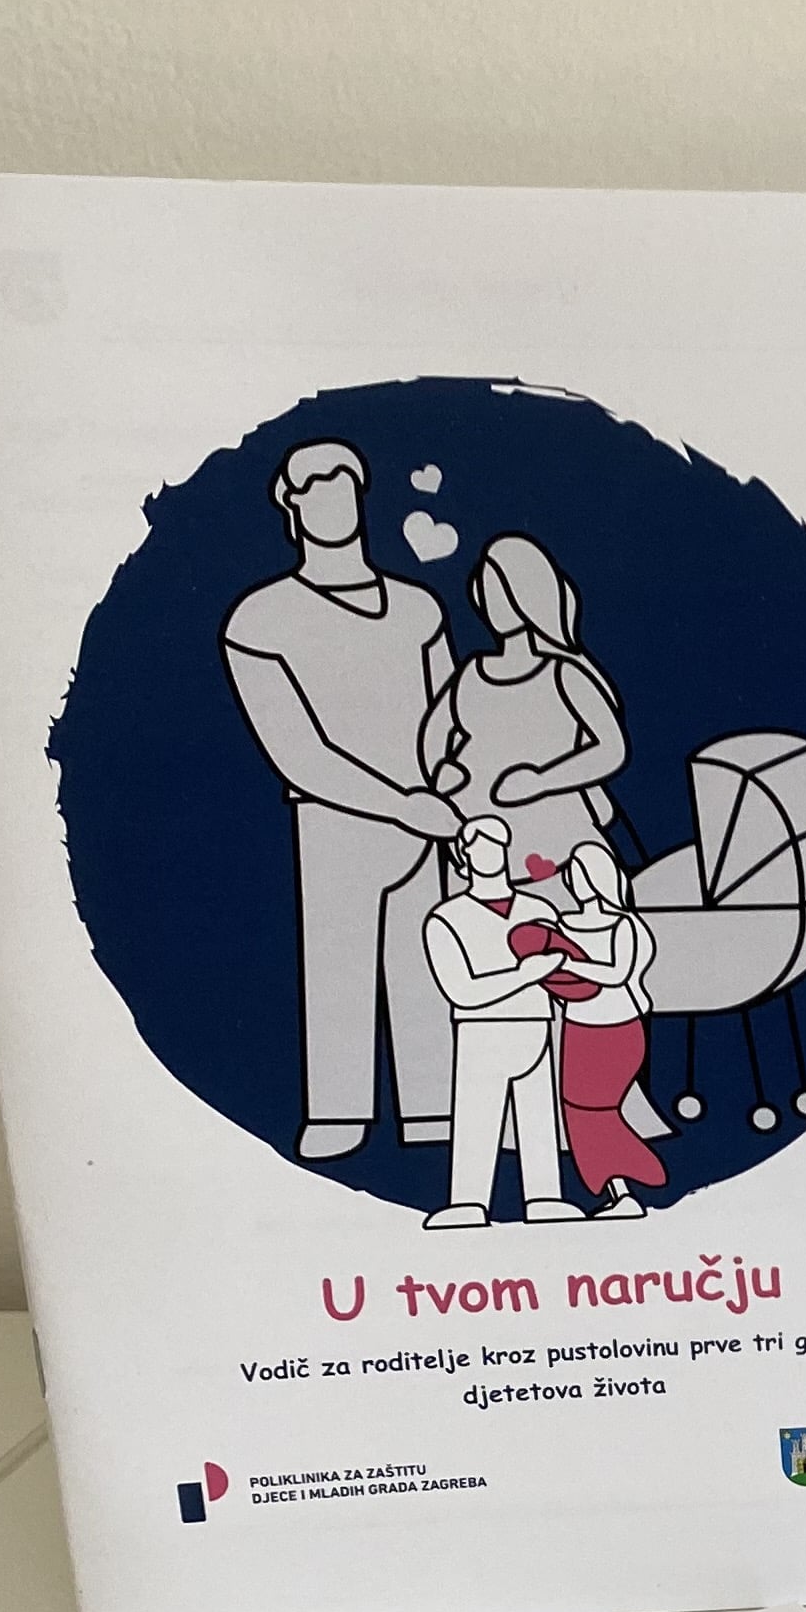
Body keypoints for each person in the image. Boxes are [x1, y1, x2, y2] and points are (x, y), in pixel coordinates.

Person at [218, 438, 456, 1160]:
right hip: (334, 820)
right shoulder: (259, 621)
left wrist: (447, 792)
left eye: (343, 481)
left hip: (429, 818)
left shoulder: (416, 608)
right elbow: (300, 751)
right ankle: (338, 1111)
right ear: (290, 507)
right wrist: (401, 803)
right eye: (313, 485)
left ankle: (437, 1110)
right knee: (339, 964)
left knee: (428, 962)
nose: (331, 496)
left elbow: (452, 715)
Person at [420, 534, 628, 871]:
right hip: (478, 836)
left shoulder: (561, 674)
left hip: (554, 832)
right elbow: (435, 732)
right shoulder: (471, 674)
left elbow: (611, 748)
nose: (495, 601)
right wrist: (441, 770)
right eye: (488, 588)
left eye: (503, 588)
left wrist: (541, 781)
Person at [417, 819, 581, 1227]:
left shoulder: (539, 910)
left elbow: (564, 971)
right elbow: (461, 990)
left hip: (536, 1023)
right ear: (463, 854)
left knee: (539, 1115)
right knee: (477, 1115)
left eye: (496, 842)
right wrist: (524, 975)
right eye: (478, 843)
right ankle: (468, 1202)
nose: (489, 850)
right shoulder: (446, 918)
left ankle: (545, 1197)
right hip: (480, 1030)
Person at [538, 841, 664, 1216]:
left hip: (618, 1029)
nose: (574, 881)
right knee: (577, 1112)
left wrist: (568, 964)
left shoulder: (625, 924)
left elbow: (616, 973)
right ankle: (618, 1191)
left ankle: (634, 1178)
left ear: (599, 876)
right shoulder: (563, 924)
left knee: (599, 1111)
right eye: (571, 874)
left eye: (581, 872)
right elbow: (556, 978)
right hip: (578, 1027)